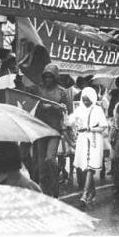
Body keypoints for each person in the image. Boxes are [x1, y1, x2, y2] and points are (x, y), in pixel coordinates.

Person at [31, 63, 73, 197]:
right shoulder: (39, 90)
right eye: (46, 77)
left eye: (50, 77)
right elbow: (33, 108)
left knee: (50, 159)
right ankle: (44, 192)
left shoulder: (62, 92)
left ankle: (55, 190)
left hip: (55, 130)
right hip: (41, 130)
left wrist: (59, 108)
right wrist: (43, 107)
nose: (48, 80)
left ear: (55, 77)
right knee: (41, 164)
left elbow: (69, 112)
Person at [68, 86, 108, 206]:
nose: (86, 102)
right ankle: (92, 190)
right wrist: (65, 113)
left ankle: (85, 194)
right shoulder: (79, 109)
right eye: (84, 99)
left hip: (94, 139)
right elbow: (70, 121)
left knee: (90, 166)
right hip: (82, 140)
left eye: (88, 100)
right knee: (84, 166)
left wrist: (91, 128)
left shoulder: (97, 109)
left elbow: (104, 126)